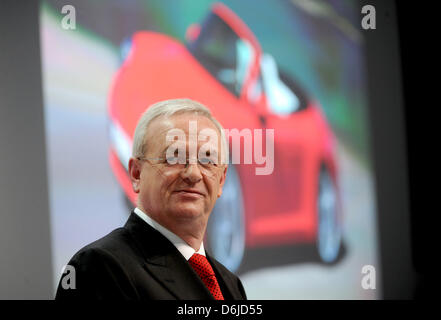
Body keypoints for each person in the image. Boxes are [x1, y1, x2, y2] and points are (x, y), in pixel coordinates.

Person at [55, 98, 247, 300]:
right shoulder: (99, 266)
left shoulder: (230, 284)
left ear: (222, 180)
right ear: (137, 174)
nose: (193, 173)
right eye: (174, 157)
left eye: (207, 160)